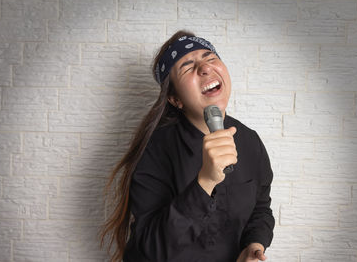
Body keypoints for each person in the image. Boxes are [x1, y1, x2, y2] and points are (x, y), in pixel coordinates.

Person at [100, 30, 275, 262]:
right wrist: (205, 181)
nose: (204, 68)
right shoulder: (154, 149)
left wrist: (254, 245)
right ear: (174, 99)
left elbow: (261, 208)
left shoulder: (250, 141)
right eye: (187, 66)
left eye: (210, 58)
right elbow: (153, 248)